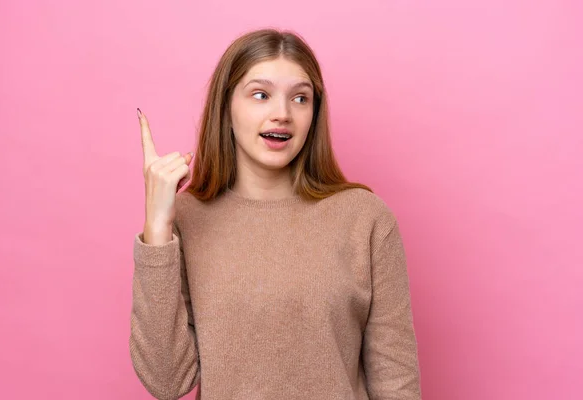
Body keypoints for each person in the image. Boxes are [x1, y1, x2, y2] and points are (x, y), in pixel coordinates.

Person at [129, 28, 422, 400]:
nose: (282, 114)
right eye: (261, 94)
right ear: (226, 106)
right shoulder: (185, 220)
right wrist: (157, 230)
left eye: (301, 98)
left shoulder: (365, 220)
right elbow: (166, 382)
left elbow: (396, 379)